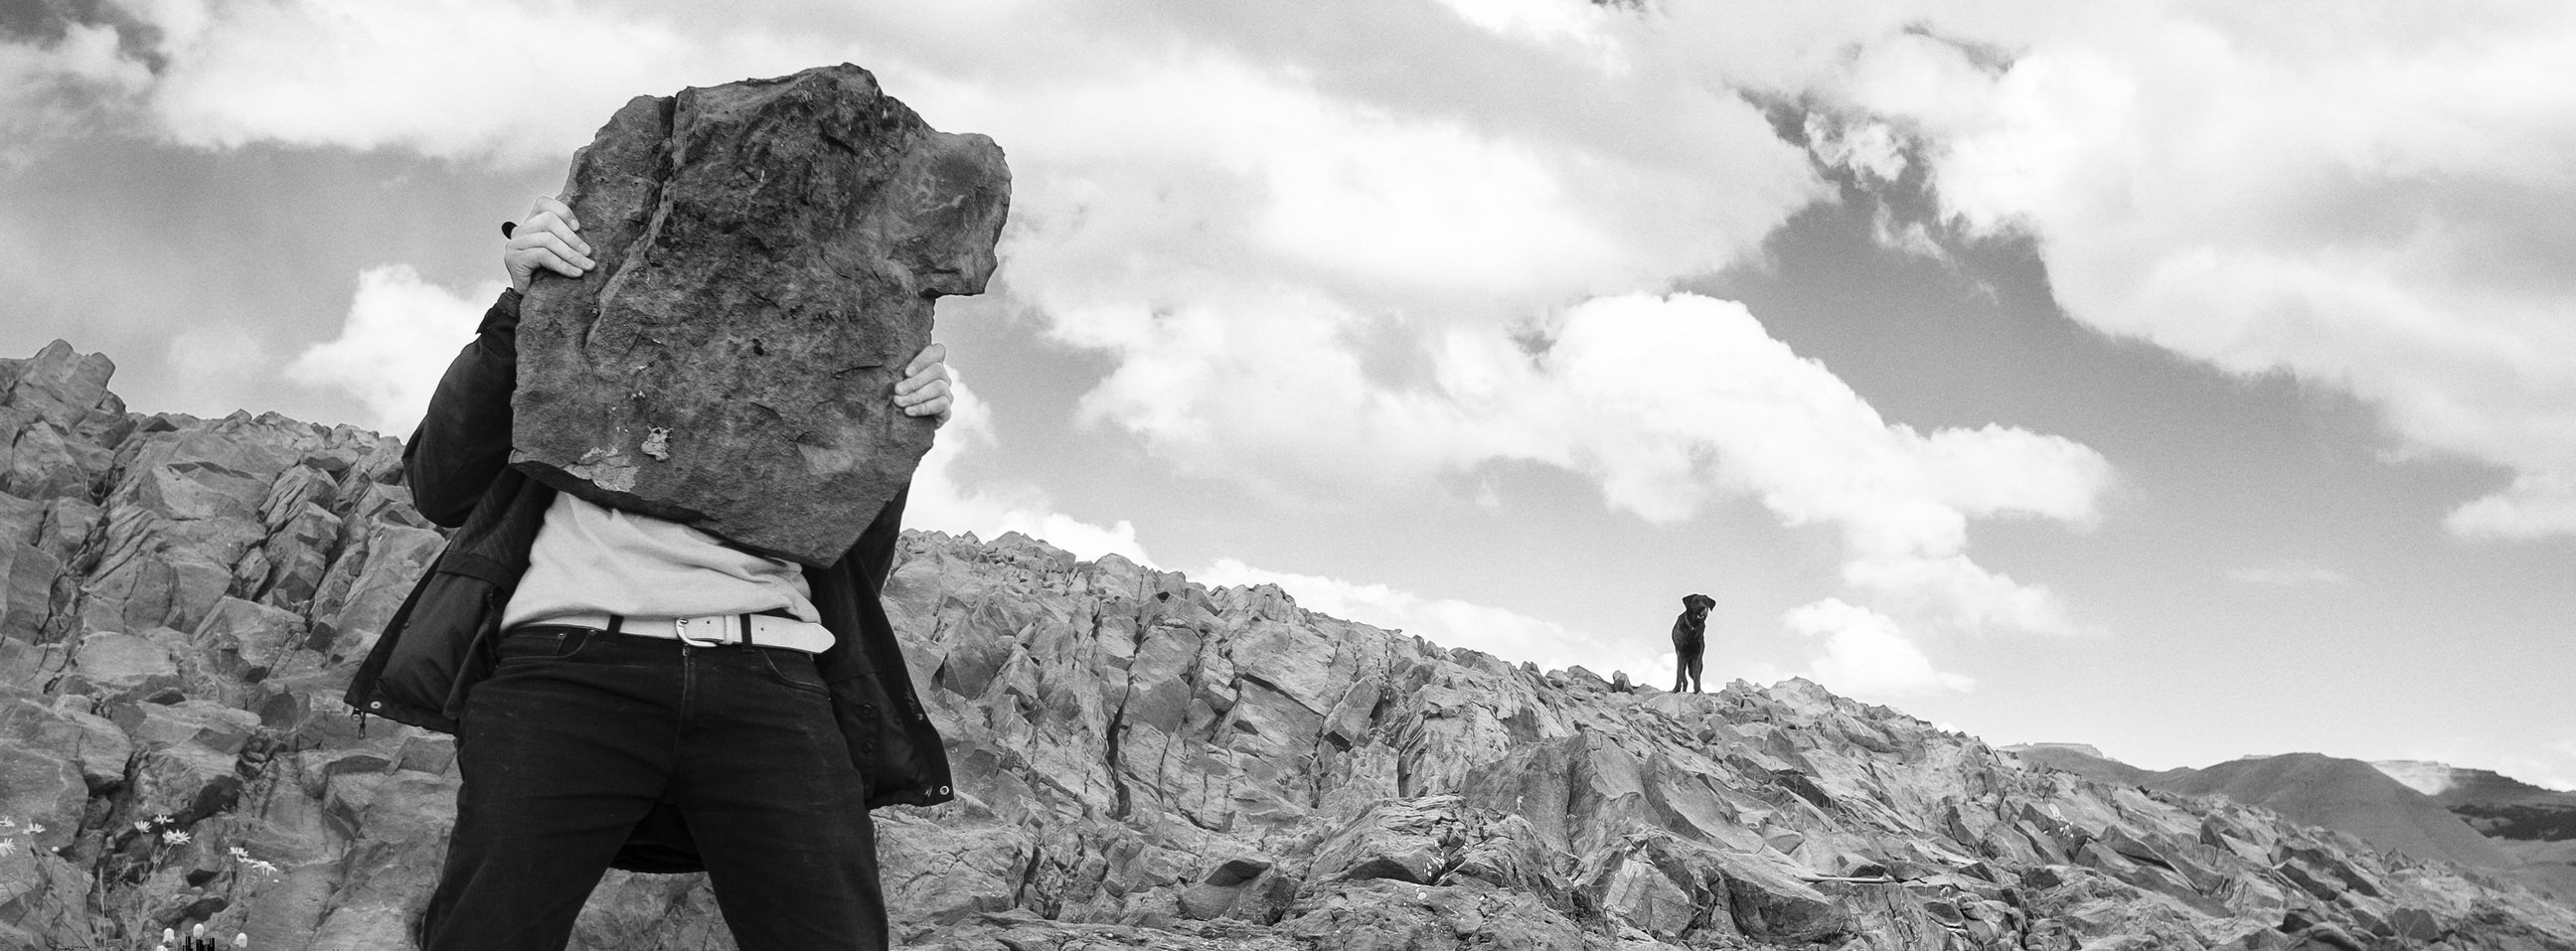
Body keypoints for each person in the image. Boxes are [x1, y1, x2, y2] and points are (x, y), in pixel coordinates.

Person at [342, 197, 954, 950]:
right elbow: (442, 484)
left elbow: (852, 557)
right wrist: (518, 306)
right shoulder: (586, 312)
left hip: (772, 674)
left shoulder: (830, 341)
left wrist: (896, 432)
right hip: (568, 669)